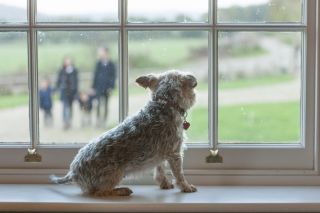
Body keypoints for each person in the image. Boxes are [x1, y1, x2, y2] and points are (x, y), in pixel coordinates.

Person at [92, 47, 116, 128]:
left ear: (106, 53)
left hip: (107, 88)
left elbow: (113, 76)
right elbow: (95, 75)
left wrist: (111, 87)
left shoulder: (111, 64)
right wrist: (93, 87)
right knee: (98, 104)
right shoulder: (98, 63)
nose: (100, 54)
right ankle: (98, 120)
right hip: (99, 87)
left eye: (101, 52)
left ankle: (104, 121)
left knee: (106, 105)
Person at [56, 57, 78, 130]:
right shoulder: (62, 70)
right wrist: (57, 88)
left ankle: (69, 120)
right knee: (65, 107)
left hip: (72, 92)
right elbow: (58, 80)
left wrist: (76, 91)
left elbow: (76, 81)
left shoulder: (74, 70)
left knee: (71, 107)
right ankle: (65, 121)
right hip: (64, 91)